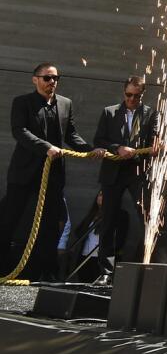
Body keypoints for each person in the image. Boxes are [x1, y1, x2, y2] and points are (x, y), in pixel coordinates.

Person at [2, 63, 105, 279]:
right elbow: (19, 131)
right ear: (35, 79)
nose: (52, 82)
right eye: (47, 78)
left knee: (50, 225)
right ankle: (3, 268)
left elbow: (72, 135)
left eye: (56, 78)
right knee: (10, 218)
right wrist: (46, 147)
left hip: (54, 174)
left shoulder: (65, 104)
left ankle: (43, 272)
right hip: (25, 172)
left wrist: (90, 150)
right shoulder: (22, 102)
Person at [92, 76, 157, 281]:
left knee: (147, 219)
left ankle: (150, 266)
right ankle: (106, 271)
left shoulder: (150, 113)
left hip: (138, 171)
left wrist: (157, 145)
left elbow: (155, 138)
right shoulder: (109, 112)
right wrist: (117, 148)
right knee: (108, 221)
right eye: (128, 95)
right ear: (123, 92)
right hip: (113, 171)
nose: (132, 99)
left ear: (142, 95)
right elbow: (99, 140)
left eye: (136, 96)